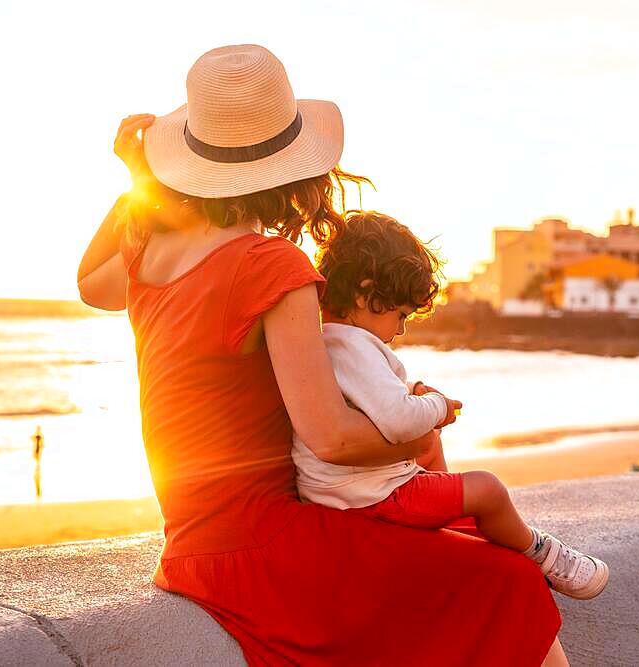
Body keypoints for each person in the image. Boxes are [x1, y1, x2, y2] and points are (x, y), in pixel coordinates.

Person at [77, 45, 567, 666]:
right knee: (511, 582)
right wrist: (423, 420)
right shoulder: (270, 262)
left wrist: (139, 181)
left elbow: (90, 284)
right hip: (262, 551)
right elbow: (330, 439)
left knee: (461, 539)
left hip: (187, 549)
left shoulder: (147, 254)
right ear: (289, 167)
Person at [294, 211, 609, 599]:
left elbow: (363, 394)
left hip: (341, 492)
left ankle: (443, 513)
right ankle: (540, 551)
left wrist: (411, 388)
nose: (401, 330)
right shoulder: (355, 345)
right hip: (371, 499)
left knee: (432, 446)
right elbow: (396, 419)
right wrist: (438, 406)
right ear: (365, 293)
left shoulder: (329, 341)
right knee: (488, 489)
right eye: (400, 316)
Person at [32, 425, 44, 499]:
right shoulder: (39, 436)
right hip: (37, 451)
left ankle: (38, 492)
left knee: (37, 463)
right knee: (37, 463)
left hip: (37, 451)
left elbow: (40, 444)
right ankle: (38, 491)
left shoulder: (39, 436)